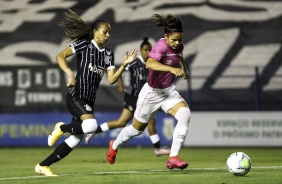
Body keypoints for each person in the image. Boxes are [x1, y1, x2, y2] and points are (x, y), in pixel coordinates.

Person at [34, 9, 137, 176]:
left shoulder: (108, 54)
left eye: (109, 32)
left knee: (76, 139)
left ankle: (43, 165)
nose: (108, 35)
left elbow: (111, 80)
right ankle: (62, 127)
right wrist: (70, 74)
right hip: (76, 96)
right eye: (105, 32)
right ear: (95, 32)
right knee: (90, 126)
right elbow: (60, 56)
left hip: (89, 102)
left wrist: (124, 65)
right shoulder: (84, 44)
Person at [106, 14, 191, 170]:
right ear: (166, 36)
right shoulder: (161, 46)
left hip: (168, 92)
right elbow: (150, 64)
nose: (177, 43)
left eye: (179, 39)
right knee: (135, 130)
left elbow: (179, 56)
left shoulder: (179, 46)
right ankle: (114, 145)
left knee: (185, 114)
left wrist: (183, 69)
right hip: (151, 93)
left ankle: (173, 158)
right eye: (174, 40)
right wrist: (172, 69)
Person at [84, 37, 170, 156]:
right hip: (132, 97)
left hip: (145, 98)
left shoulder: (152, 63)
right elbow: (118, 69)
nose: (147, 52)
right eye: (145, 50)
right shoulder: (135, 62)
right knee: (122, 122)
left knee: (145, 122)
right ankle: (158, 148)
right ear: (140, 51)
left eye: (149, 50)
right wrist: (120, 83)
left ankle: (158, 148)